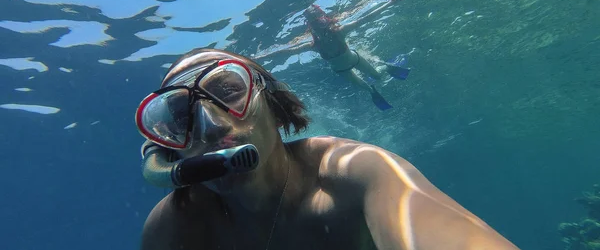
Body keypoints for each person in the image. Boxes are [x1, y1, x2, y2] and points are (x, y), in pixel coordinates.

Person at [136, 48, 520, 250]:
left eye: (229, 91)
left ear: (273, 102)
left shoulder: (358, 173)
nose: (213, 124)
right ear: (167, 150)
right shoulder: (175, 227)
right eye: (180, 117)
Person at [252, 0, 411, 111]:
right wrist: (261, 58)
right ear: (312, 28)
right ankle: (373, 91)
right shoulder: (314, 45)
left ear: (326, 21)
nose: (321, 27)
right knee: (367, 88)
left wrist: (391, 2)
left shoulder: (340, 31)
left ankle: (385, 66)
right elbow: (286, 52)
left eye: (321, 22)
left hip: (355, 59)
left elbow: (366, 18)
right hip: (342, 71)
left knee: (378, 76)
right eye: (316, 25)